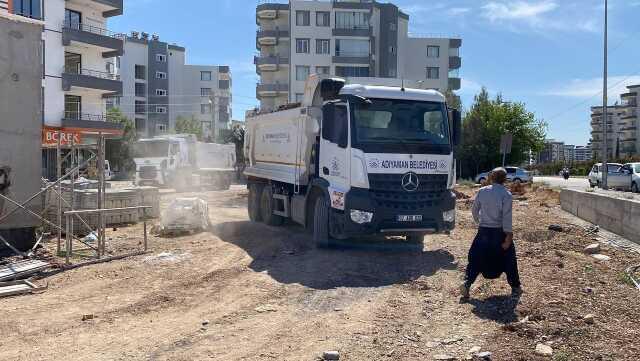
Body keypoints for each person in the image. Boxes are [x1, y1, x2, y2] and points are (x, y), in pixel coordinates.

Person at [460, 167, 522, 299]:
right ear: (505, 179)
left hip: (483, 232)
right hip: (499, 233)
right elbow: (507, 218)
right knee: (509, 261)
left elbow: (474, 211)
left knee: (476, 259)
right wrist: (508, 238)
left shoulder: (482, 191)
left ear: (491, 178)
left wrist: (480, 223)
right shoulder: (507, 195)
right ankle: (516, 288)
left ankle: (466, 284)